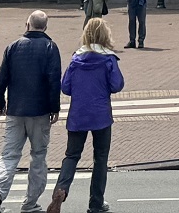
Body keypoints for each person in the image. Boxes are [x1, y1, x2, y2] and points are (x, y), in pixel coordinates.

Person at [0, 10, 61, 213]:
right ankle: (30, 203)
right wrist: (54, 107)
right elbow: (54, 81)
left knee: (9, 154)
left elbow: (2, 78)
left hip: (16, 109)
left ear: (27, 25)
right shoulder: (50, 47)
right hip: (40, 110)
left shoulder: (13, 47)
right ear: (45, 27)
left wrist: (0, 103)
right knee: (38, 155)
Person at [49, 16, 123, 213]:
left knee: (71, 156)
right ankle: (96, 203)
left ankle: (61, 190)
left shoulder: (76, 59)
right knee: (100, 158)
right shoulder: (108, 59)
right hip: (101, 115)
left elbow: (65, 88)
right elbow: (117, 85)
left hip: (78, 115)